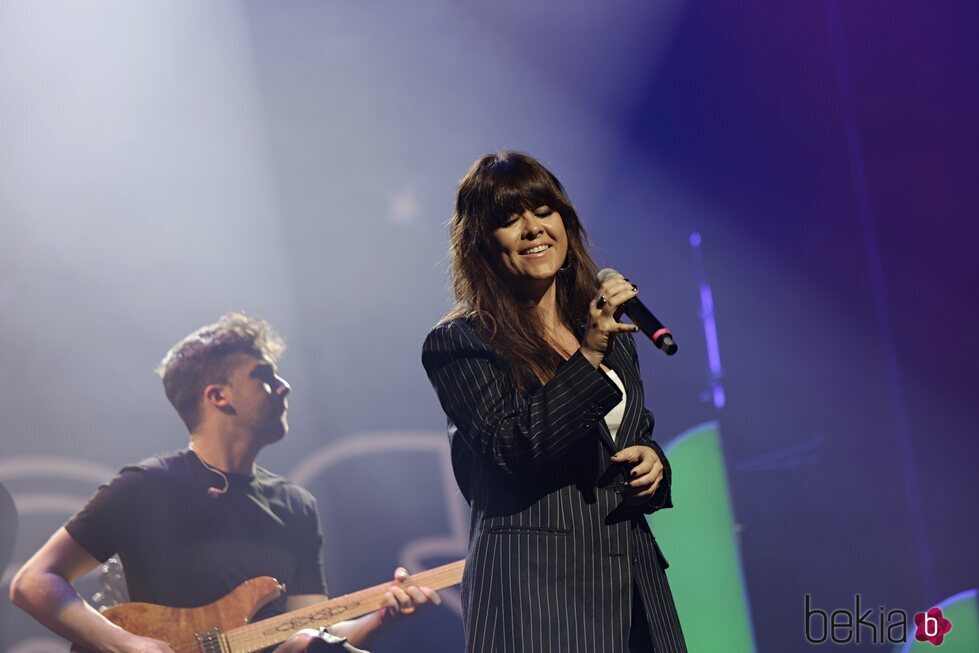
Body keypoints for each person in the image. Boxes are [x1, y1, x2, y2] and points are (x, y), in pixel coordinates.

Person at [11, 313, 440, 653]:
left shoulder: (296, 507)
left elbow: (312, 629)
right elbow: (34, 582)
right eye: (264, 376)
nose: (284, 387)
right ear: (219, 396)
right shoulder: (146, 486)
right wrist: (129, 644)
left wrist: (383, 616)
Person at [422, 151, 687, 653]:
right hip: (539, 602)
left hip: (633, 587)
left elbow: (629, 431)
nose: (532, 230)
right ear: (481, 243)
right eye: (508, 219)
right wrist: (587, 354)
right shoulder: (462, 343)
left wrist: (654, 463)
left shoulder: (606, 326)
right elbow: (514, 447)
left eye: (544, 211)